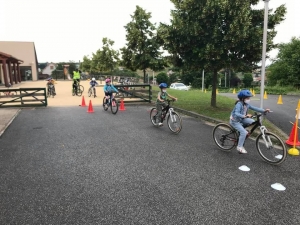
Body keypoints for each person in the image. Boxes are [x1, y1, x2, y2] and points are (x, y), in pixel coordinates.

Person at [230, 89, 270, 154]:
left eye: (249, 98)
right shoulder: (239, 104)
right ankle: (239, 147)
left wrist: (264, 111)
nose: (249, 99)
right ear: (243, 98)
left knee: (252, 121)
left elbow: (254, 108)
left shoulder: (246, 104)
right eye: (247, 98)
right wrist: (245, 116)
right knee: (244, 132)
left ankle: (241, 131)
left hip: (242, 119)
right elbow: (236, 113)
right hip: (235, 121)